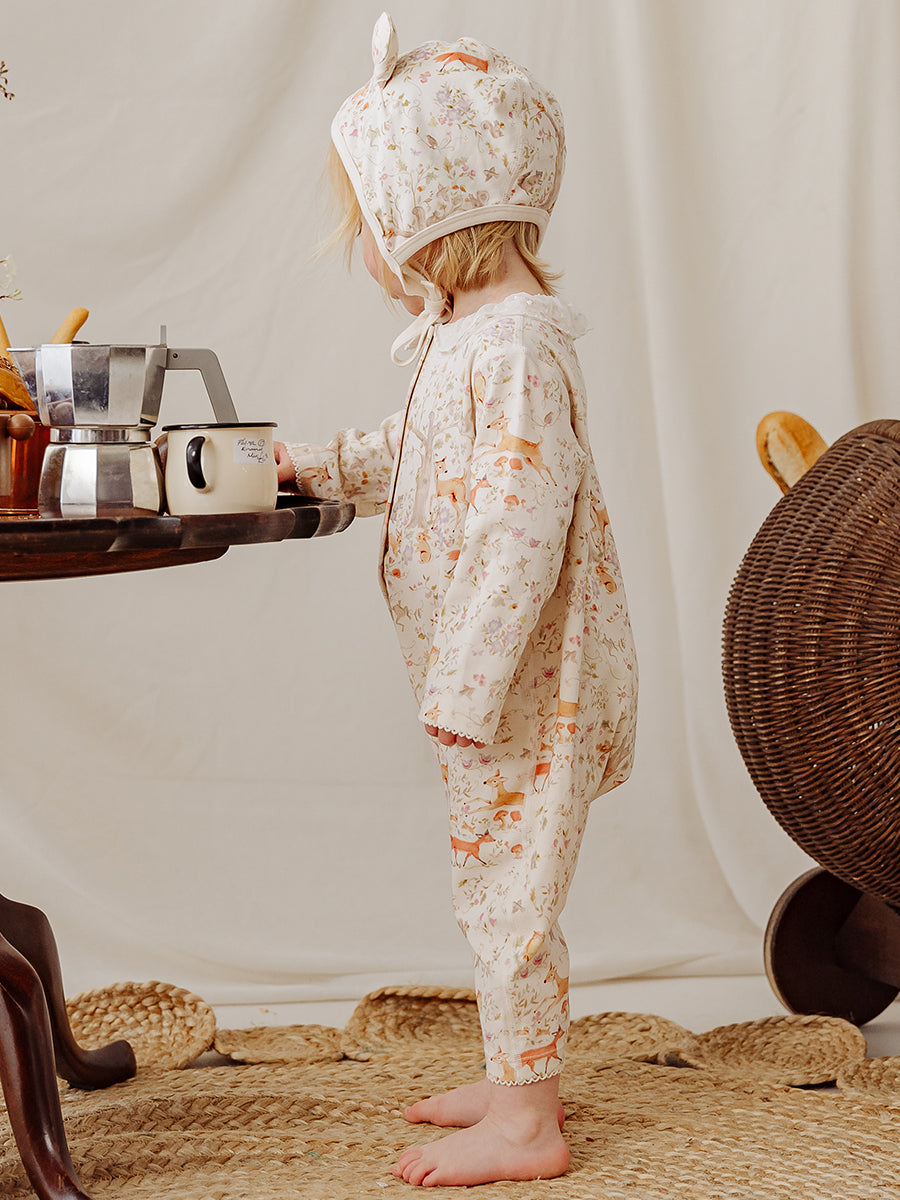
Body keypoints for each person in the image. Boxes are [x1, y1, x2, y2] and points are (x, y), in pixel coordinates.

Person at [276, 13, 638, 1188]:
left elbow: (522, 525)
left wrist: (468, 684)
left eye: (370, 233)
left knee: (511, 891)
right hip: (494, 684)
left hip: (526, 682)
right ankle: (514, 1070)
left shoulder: (515, 345)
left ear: (428, 216)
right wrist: (313, 464)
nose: (366, 259)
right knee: (492, 877)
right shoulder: (472, 339)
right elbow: (416, 453)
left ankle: (529, 1124)